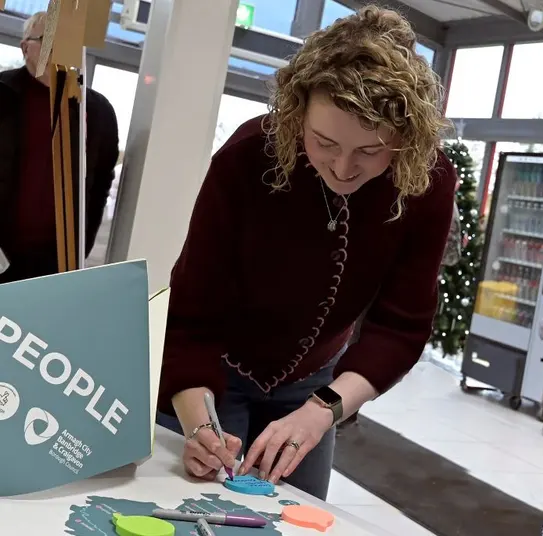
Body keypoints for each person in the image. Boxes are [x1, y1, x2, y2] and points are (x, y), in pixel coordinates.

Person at [156, 6, 456, 500]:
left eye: (370, 151)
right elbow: (191, 320)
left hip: (316, 381)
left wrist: (324, 409)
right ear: (298, 116)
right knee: (197, 499)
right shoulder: (249, 155)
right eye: (324, 142)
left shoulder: (429, 180)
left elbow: (400, 328)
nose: (342, 167)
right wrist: (198, 429)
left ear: (407, 139)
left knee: (297, 517)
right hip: (213, 370)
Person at [0, 11, 119, 283]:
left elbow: (100, 184)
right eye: (49, 40)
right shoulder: (2, 93)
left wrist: (79, 250)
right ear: (25, 47)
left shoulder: (97, 111)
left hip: (54, 262)